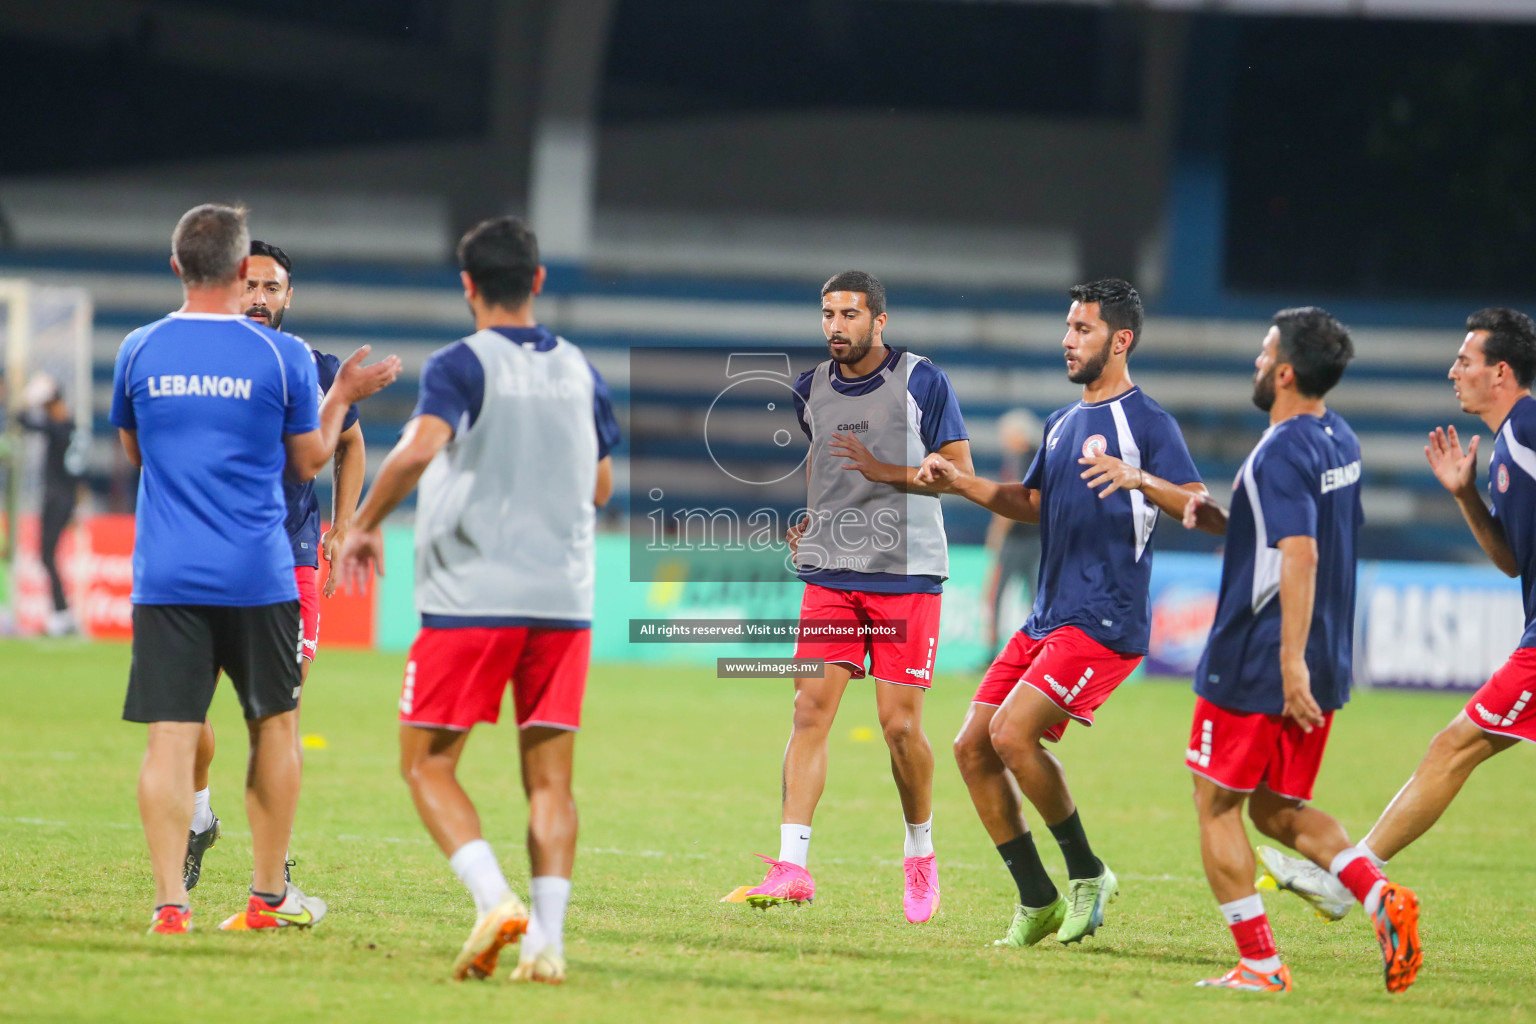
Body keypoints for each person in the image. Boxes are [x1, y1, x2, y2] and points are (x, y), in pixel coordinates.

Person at [337, 216, 620, 984]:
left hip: (473, 597)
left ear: (467, 286)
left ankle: (495, 900)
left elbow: (422, 445)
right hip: (563, 602)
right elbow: (599, 486)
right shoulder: (579, 367)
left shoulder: (462, 363)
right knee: (551, 779)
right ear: (538, 280)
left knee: (427, 763)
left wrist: (362, 526)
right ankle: (547, 946)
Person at [112, 203, 399, 935]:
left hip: (169, 572)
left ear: (177, 265)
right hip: (259, 570)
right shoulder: (285, 359)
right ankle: (269, 896)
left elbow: (137, 456)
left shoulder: (137, 350)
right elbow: (309, 459)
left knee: (169, 738)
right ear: (242, 274)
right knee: (275, 725)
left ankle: (170, 905)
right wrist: (341, 400)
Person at [917, 279, 1210, 947]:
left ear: (1120, 339)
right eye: (1069, 327)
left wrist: (1141, 479)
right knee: (970, 747)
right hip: (1048, 617)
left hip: (1104, 619)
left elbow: (1201, 507)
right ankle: (1038, 898)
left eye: (1082, 329)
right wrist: (961, 482)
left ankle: (1086, 873)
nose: (1067, 340)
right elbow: (1031, 504)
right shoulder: (1061, 423)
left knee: (1012, 736)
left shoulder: (1149, 425)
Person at [1259, 308, 1536, 983]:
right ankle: (1354, 873)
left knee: (1454, 746)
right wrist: (1467, 495)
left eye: (1465, 361)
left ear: (1500, 371)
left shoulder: (1528, 432)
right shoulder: (1507, 450)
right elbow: (1512, 561)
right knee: (1455, 747)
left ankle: (1349, 876)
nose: (1453, 372)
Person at [1174, 308, 1419, 994]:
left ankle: (1260, 963)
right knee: (1277, 808)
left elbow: (1301, 554)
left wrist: (1288, 664)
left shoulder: (1277, 451)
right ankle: (1379, 897)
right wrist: (1235, 521)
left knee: (1215, 804)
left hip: (1261, 659)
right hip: (1325, 656)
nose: (1255, 363)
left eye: (1262, 353)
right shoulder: (1339, 438)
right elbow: (1304, 532)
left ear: (1284, 372)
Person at [741, 271, 971, 924]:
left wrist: (887, 473)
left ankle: (919, 851)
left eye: (849, 314)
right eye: (827, 314)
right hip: (831, 575)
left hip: (905, 575)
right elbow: (820, 459)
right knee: (809, 712)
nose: (836, 326)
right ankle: (792, 866)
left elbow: (961, 476)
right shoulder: (808, 388)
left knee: (900, 727)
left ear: (880, 321)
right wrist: (817, 515)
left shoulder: (923, 381)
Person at [182, 239, 372, 896]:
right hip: (203, 561)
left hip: (288, 563)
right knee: (185, 714)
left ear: (289, 297)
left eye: (272, 288)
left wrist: (345, 523)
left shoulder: (313, 368)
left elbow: (348, 440)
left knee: (275, 719)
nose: (260, 298)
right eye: (250, 286)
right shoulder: (195, 363)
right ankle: (199, 815)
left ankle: (274, 870)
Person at [16, 373, 83, 636]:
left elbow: (23, 421)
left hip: (57, 499)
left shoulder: (60, 427)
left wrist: (28, 400)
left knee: (47, 555)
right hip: (62, 499)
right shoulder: (67, 425)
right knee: (46, 556)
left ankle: (62, 614)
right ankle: (61, 612)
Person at [984, 409, 1044, 657]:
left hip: (1017, 540)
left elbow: (1011, 500)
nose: (1004, 439)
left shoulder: (1019, 458)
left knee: (997, 595)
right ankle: (1036, 651)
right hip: (1039, 538)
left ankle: (991, 653)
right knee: (1035, 597)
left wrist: (996, 534)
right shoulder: (1038, 455)